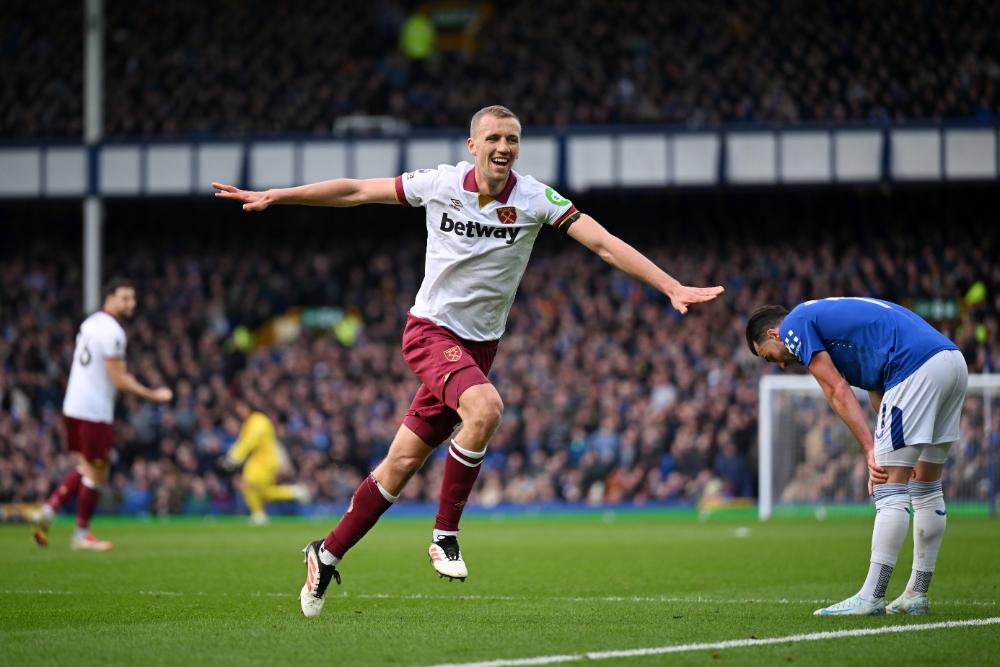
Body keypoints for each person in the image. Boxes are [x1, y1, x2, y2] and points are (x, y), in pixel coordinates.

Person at [214, 104, 724, 618]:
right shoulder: (439, 184)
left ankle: (324, 554)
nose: (505, 147)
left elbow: (604, 244)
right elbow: (354, 190)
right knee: (485, 408)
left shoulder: (535, 198)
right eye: (495, 138)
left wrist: (670, 285)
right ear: (472, 145)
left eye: (514, 139)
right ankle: (445, 535)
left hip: (479, 347)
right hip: (431, 332)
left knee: (400, 465)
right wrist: (279, 195)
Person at [746, 297, 967, 616]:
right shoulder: (831, 324)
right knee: (926, 487)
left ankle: (871, 597)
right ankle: (916, 594)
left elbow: (836, 389)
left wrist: (869, 450)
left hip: (915, 368)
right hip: (951, 363)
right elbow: (878, 387)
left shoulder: (794, 324)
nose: (780, 364)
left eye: (770, 357)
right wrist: (891, 448)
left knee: (889, 491)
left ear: (773, 334)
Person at [31, 277, 173, 550]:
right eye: (125, 298)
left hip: (73, 405)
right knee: (97, 473)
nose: (131, 303)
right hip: (94, 410)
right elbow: (118, 380)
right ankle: (81, 533)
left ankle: (48, 511)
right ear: (110, 298)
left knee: (88, 468)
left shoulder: (90, 323)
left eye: (133, 298)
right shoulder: (113, 332)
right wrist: (154, 395)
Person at [220, 399, 310, 525]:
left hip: (264, 461)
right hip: (260, 461)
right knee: (261, 491)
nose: (239, 411)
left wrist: (234, 457)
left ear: (248, 406)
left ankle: (290, 494)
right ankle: (263, 511)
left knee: (250, 485)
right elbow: (245, 441)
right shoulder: (253, 421)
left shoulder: (258, 421)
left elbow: (249, 441)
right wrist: (233, 455)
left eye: (241, 407)